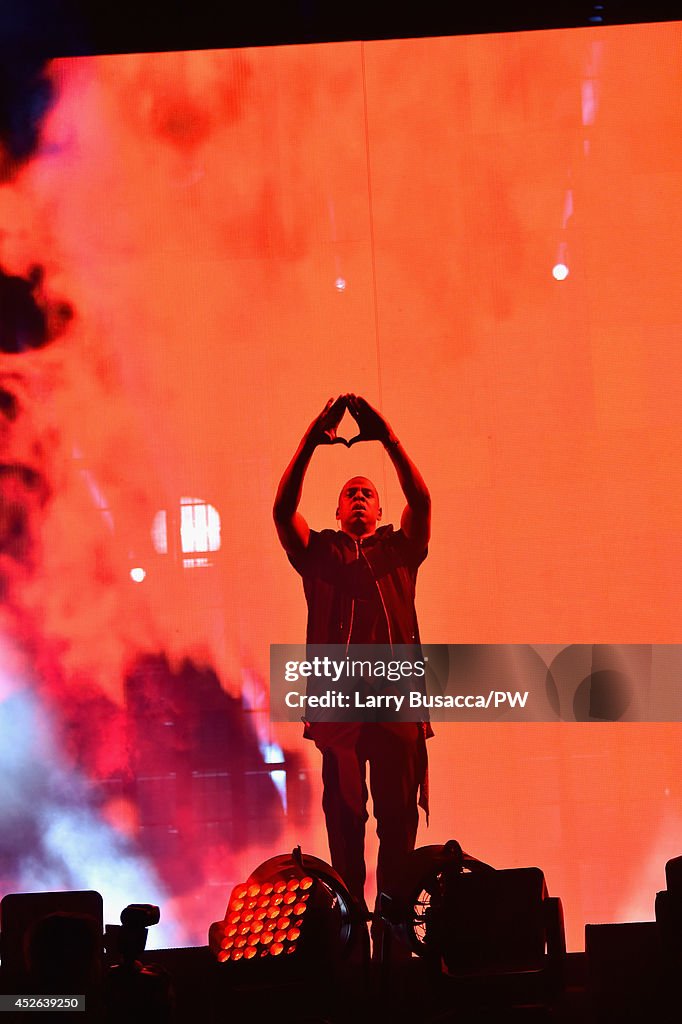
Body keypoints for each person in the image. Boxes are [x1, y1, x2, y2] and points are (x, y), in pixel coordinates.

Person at [273, 393, 432, 914]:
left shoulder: (398, 550)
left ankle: (395, 929)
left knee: (397, 821)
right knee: (345, 822)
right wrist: (309, 444)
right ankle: (349, 935)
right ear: (338, 512)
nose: (360, 498)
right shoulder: (321, 553)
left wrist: (388, 437)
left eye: (367, 493)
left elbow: (423, 503)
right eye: (350, 494)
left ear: (381, 510)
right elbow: (281, 511)